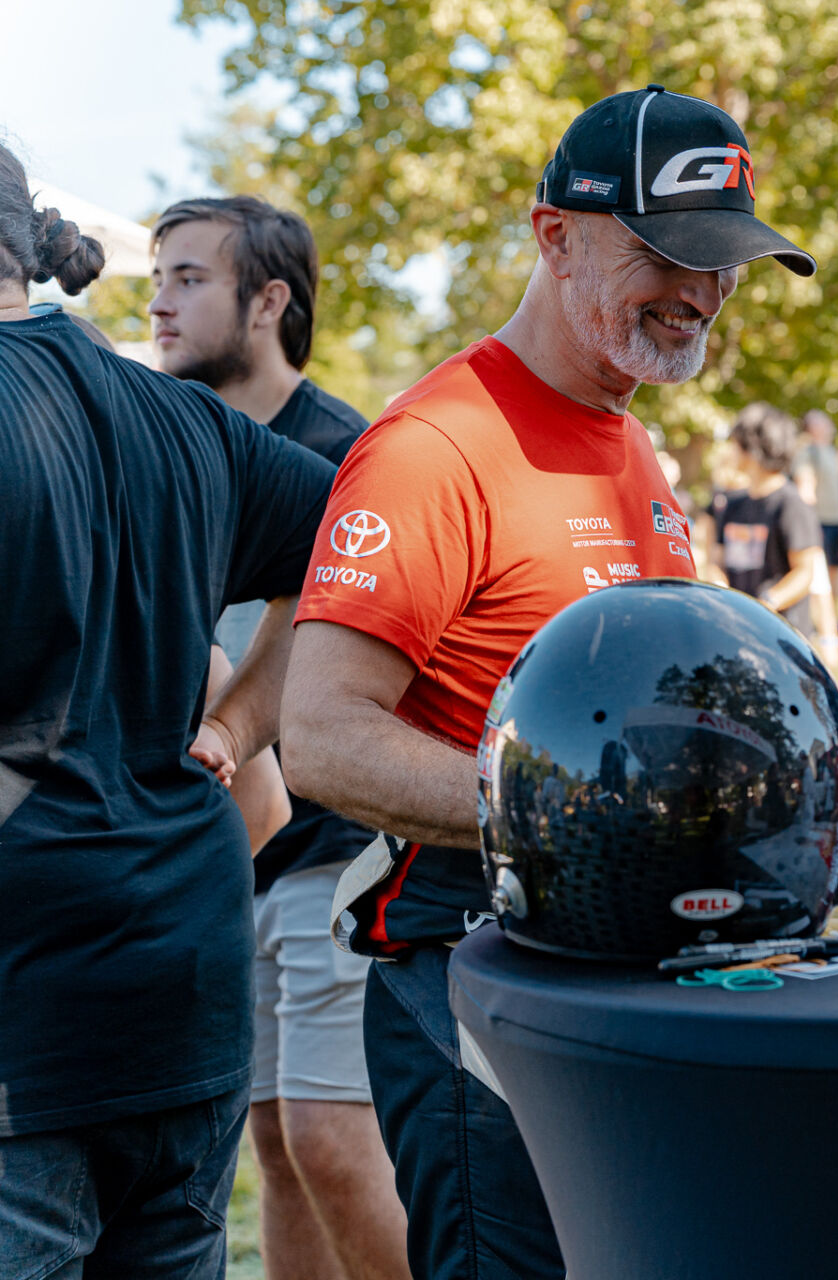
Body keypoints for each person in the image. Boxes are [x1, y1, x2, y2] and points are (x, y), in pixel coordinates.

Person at [278, 85, 815, 1280]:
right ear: (552, 234)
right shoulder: (437, 448)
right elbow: (318, 736)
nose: (703, 290)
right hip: (477, 977)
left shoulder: (632, 440)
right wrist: (579, 815)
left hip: (622, 972)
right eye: (667, 253)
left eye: (725, 263)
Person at [0, 142, 336, 1275]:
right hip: (181, 987)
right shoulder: (176, 415)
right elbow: (357, 551)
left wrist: (243, 718)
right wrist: (240, 721)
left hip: (31, 1015)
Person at [150, 194, 408, 1280]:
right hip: (226, 852)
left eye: (190, 279)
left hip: (338, 847)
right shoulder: (168, 439)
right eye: (155, 278)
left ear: (269, 302)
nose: (159, 301)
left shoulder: (345, 455)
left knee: (334, 1142)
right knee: (271, 1139)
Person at [711, 402, 826, 639]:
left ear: (752, 449)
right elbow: (717, 562)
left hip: (782, 634)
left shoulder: (791, 504)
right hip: (736, 631)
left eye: (735, 443)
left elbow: (805, 572)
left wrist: (765, 604)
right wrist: (720, 593)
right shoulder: (732, 505)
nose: (731, 451)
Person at [795, 409, 838, 596]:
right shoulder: (807, 453)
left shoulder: (832, 453)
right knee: (818, 575)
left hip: (835, 519)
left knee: (833, 568)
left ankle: (832, 619)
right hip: (818, 522)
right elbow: (805, 488)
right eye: (821, 420)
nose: (828, 423)